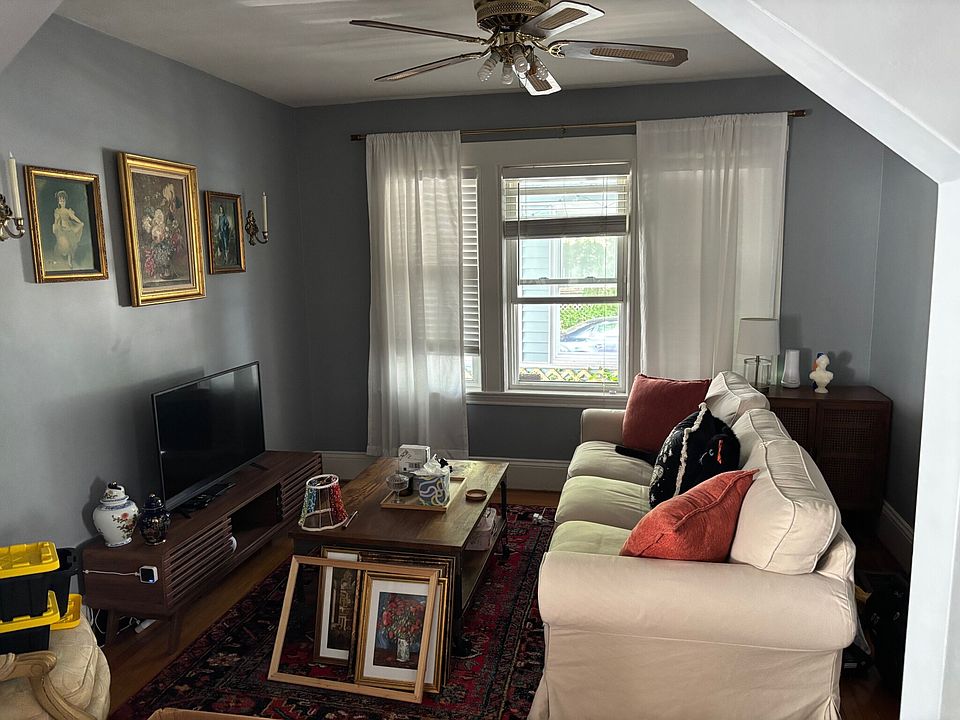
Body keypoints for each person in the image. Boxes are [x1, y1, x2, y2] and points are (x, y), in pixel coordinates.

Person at [51, 190, 84, 269]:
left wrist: (80, 222)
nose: (62, 202)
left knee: (70, 246)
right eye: (60, 201)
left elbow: (74, 217)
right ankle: (55, 259)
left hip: (69, 229)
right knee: (60, 244)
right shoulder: (57, 211)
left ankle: (70, 262)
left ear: (65, 201)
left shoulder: (68, 211)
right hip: (61, 230)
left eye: (63, 200)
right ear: (58, 202)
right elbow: (56, 220)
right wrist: (55, 227)